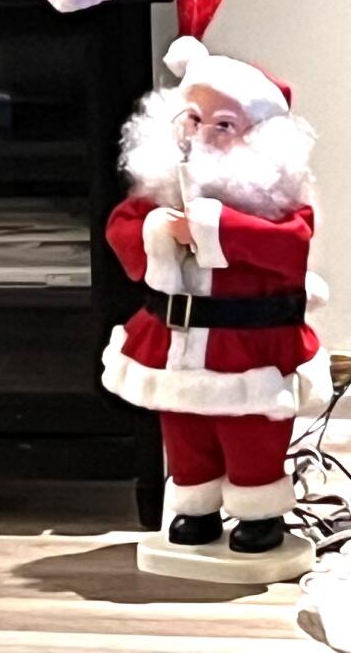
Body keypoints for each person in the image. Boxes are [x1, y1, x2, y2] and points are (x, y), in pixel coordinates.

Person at [103, 37, 328, 554]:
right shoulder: (160, 188)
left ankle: (257, 512)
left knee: (250, 431)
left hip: (247, 343)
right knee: (183, 428)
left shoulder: (279, 202)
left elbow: (289, 246)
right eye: (193, 120)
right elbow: (123, 229)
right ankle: (195, 506)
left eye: (223, 124)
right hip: (173, 338)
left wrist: (208, 226)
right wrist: (161, 226)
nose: (203, 134)